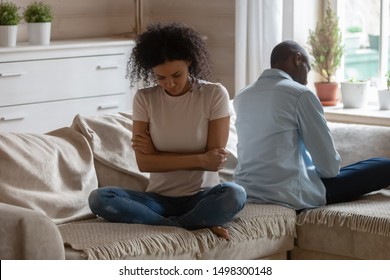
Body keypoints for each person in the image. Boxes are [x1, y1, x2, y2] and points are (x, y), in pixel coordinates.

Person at [88, 22, 246, 239]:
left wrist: (157, 155)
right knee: (100, 198)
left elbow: (214, 160)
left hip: (203, 197)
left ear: (189, 62)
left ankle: (170, 226)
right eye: (160, 78)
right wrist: (199, 159)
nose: (170, 84)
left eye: (176, 75)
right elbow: (145, 164)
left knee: (235, 194)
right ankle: (187, 227)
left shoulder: (214, 94)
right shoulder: (145, 99)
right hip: (158, 200)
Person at [233, 40, 390, 210]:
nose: (307, 80)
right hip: (291, 194)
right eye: (308, 68)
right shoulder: (300, 94)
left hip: (248, 191)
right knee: (384, 165)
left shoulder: (242, 96)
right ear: (297, 59)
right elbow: (329, 169)